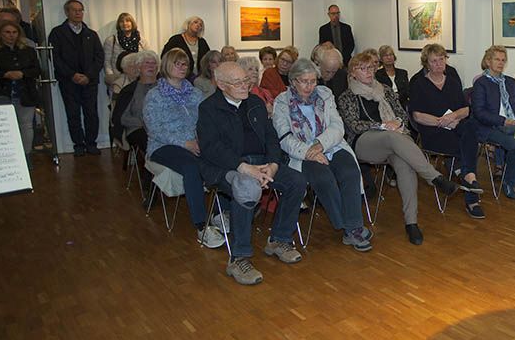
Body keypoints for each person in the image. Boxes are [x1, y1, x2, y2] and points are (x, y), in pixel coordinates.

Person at [338, 52, 466, 245]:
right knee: (392, 136)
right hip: (364, 142)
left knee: (404, 163)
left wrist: (396, 122)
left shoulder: (386, 90)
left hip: (394, 141)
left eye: (371, 68)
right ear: (353, 73)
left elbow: (403, 115)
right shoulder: (347, 96)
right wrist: (383, 126)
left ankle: (411, 223)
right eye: (362, 68)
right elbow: (354, 125)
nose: (368, 72)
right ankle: (435, 178)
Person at [198, 62, 308, 285]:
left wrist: (274, 164)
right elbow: (212, 148)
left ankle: (279, 240)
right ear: (221, 85)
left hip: (262, 164)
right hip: (228, 167)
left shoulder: (255, 102)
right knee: (246, 187)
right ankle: (238, 258)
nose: (244, 86)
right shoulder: (208, 109)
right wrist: (244, 168)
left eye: (246, 80)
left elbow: (271, 138)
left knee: (297, 181)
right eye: (237, 82)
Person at [273, 58, 373, 252]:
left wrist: (320, 144)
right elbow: (284, 138)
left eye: (313, 81)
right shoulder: (282, 102)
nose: (309, 86)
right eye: (304, 81)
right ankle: (350, 228)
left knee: (350, 172)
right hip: (302, 153)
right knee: (324, 178)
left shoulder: (325, 95)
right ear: (293, 81)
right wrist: (308, 152)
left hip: (331, 145)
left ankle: (352, 228)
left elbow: (337, 126)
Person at [143, 48, 224, 249]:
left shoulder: (194, 93)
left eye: (185, 64)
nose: (182, 67)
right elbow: (154, 129)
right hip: (164, 146)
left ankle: (220, 213)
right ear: (166, 66)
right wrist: (184, 143)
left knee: (220, 158)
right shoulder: (155, 95)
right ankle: (202, 226)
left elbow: (206, 121)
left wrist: (201, 141)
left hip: (194, 143)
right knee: (191, 167)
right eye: (177, 64)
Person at [409, 43, 485, 219]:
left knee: (470, 127)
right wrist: (441, 122)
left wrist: (453, 118)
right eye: (434, 61)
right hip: (433, 132)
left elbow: (466, 109)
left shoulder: (451, 80)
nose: (438, 64)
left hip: (455, 126)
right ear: (426, 64)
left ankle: (466, 176)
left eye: (441, 59)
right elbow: (418, 116)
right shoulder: (418, 83)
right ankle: (471, 194)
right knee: (467, 144)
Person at [472, 45, 515, 200]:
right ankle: (509, 182)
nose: (501, 63)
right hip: (490, 127)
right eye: (497, 59)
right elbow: (479, 112)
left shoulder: (510, 82)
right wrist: (504, 121)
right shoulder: (481, 83)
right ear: (488, 61)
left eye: (503, 60)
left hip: (512, 126)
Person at [49, 0, 105, 156]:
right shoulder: (57, 33)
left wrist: (88, 75)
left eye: (81, 10)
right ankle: (78, 144)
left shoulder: (91, 34)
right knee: (73, 114)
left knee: (91, 114)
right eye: (74, 10)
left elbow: (99, 57)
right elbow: (55, 58)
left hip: (90, 81)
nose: (78, 13)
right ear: (67, 12)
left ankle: (91, 143)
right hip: (69, 82)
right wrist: (72, 75)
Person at [0, 17, 40, 159]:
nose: (11, 35)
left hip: (25, 93)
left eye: (14, 32)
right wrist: (5, 74)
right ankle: (8, 158)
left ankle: (26, 156)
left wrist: (22, 73)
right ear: (0, 34)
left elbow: (37, 70)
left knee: (26, 126)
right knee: (4, 128)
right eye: (7, 32)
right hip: (2, 93)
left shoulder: (28, 50)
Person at [112, 50, 159, 158]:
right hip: (138, 128)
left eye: (154, 63)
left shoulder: (164, 87)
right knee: (153, 146)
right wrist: (145, 122)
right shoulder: (129, 90)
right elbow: (122, 118)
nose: (151, 66)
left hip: (162, 128)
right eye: (147, 63)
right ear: (138, 67)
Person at [103, 12, 149, 97]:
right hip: (118, 81)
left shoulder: (141, 40)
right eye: (121, 21)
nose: (125, 23)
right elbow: (107, 62)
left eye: (127, 21)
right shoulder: (111, 40)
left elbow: (147, 58)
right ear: (118, 24)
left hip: (138, 80)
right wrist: (112, 78)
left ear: (132, 23)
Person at [376, 44, 409, 110]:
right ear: (381, 59)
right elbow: (380, 93)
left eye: (391, 55)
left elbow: (407, 91)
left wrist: (396, 97)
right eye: (386, 55)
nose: (389, 57)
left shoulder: (402, 73)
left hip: (402, 104)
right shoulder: (377, 74)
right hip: (386, 106)